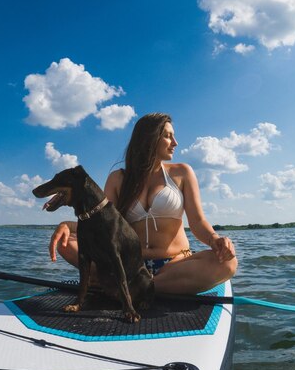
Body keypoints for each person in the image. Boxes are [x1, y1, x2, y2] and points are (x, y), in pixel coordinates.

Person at [48, 113, 237, 295]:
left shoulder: (182, 173)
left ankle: (138, 286)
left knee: (227, 263)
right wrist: (68, 226)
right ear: (150, 139)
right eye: (168, 136)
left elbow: (197, 221)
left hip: (174, 264)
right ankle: (140, 285)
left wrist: (215, 239)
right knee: (65, 242)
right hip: (129, 264)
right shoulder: (118, 178)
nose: (175, 143)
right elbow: (101, 223)